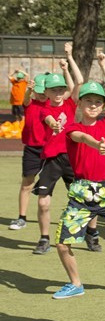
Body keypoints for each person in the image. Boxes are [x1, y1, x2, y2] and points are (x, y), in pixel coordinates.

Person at [51, 53, 105, 299]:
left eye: (98, 102)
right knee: (63, 242)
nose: (93, 105)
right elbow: (82, 138)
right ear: (80, 104)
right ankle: (75, 284)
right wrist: (96, 144)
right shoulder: (73, 128)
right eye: (88, 101)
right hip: (81, 194)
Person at [32, 46, 80, 254]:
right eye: (54, 90)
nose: (59, 93)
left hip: (72, 158)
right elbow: (49, 119)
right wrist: (54, 124)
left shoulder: (70, 104)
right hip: (52, 160)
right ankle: (44, 238)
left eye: (61, 89)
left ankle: (91, 233)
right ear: (47, 93)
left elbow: (78, 82)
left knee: (85, 198)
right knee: (43, 203)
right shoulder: (45, 109)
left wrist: (67, 63)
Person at [9, 74, 49, 231]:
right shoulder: (30, 104)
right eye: (39, 91)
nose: (42, 94)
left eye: (45, 91)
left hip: (50, 149)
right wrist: (28, 90)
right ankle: (21, 218)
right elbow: (25, 100)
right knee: (27, 183)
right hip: (32, 149)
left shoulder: (52, 106)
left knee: (58, 183)